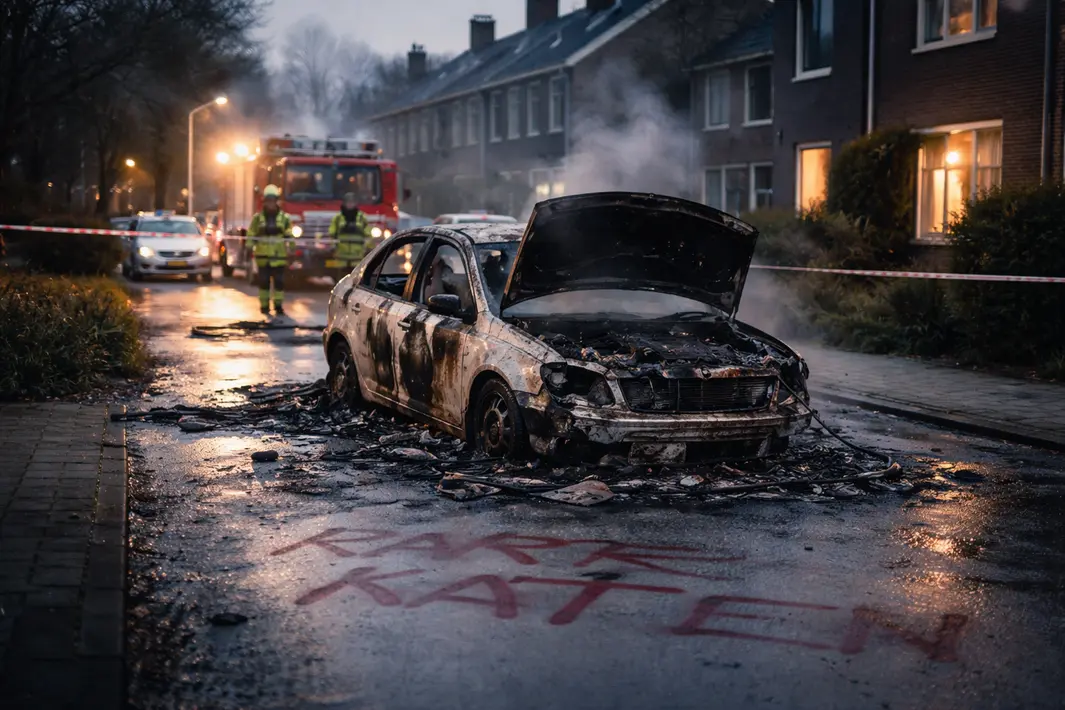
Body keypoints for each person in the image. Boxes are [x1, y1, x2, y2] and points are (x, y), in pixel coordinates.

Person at [247, 184, 294, 316]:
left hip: (279, 257)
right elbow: (251, 233)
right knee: (263, 283)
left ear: (277, 201)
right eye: (268, 200)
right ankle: (264, 306)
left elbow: (290, 235)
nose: (271, 203)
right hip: (263, 257)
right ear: (265, 201)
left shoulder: (284, 218)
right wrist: (249, 246)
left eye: (273, 200)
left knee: (279, 282)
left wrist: (291, 249)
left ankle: (278, 306)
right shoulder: (258, 218)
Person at [328, 192, 371, 282]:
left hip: (357, 256)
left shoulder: (361, 217)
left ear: (356, 203)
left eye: (352, 202)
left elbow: (368, 234)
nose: (350, 204)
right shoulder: (338, 218)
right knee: (341, 281)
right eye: (348, 202)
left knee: (356, 280)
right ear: (344, 203)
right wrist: (332, 247)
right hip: (341, 256)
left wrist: (367, 248)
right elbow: (332, 234)